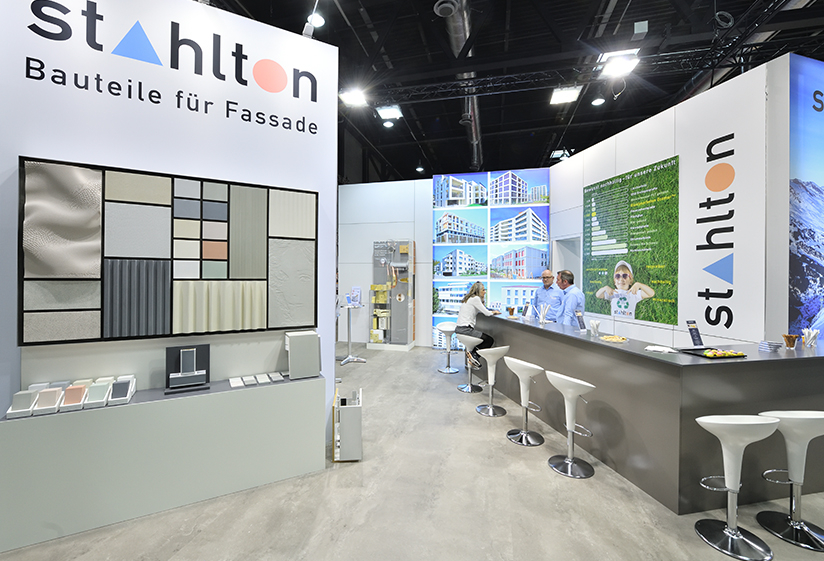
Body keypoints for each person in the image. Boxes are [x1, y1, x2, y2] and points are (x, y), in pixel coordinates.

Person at [455, 281, 500, 368]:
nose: (485, 292)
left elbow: (483, 309)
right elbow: (487, 313)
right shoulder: (475, 299)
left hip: (459, 329)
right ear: (478, 291)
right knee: (489, 340)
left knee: (487, 339)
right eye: (483, 290)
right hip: (465, 330)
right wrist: (494, 312)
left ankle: (473, 356)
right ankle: (473, 355)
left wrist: (484, 303)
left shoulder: (470, 298)